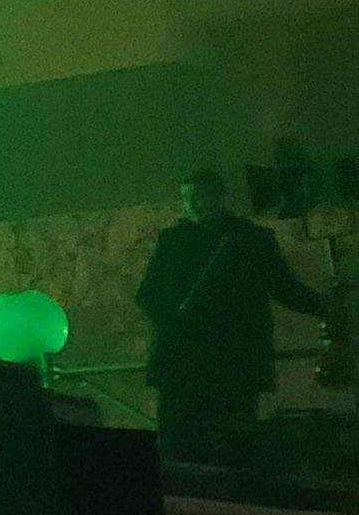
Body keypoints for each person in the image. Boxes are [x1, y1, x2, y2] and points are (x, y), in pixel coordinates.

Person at [138, 170, 328, 467]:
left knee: (198, 445)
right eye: (187, 198)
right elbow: (285, 288)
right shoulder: (247, 239)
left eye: (198, 197)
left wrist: (178, 323)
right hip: (227, 360)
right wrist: (328, 307)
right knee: (217, 444)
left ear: (218, 196)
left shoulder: (183, 241)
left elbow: (148, 295)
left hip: (196, 361)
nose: (193, 205)